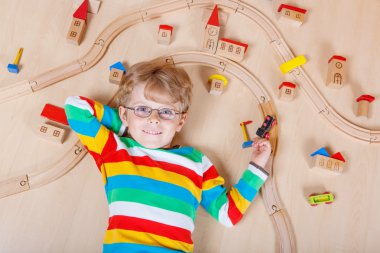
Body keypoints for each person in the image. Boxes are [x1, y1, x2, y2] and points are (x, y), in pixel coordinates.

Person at [64, 60, 272, 253]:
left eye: (166, 112)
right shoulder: (114, 149)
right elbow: (76, 108)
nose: (154, 119)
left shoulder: (196, 162)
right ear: (123, 114)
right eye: (143, 109)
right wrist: (126, 125)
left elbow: (228, 214)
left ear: (180, 122)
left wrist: (258, 163)